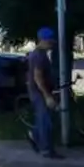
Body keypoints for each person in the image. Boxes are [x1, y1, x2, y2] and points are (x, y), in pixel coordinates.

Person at [26, 27, 63, 159]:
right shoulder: (38, 56)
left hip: (41, 92)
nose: (52, 44)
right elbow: (37, 77)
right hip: (39, 93)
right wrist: (47, 96)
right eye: (50, 41)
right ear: (42, 40)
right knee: (45, 122)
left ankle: (34, 135)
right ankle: (46, 150)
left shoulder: (40, 54)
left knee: (44, 120)